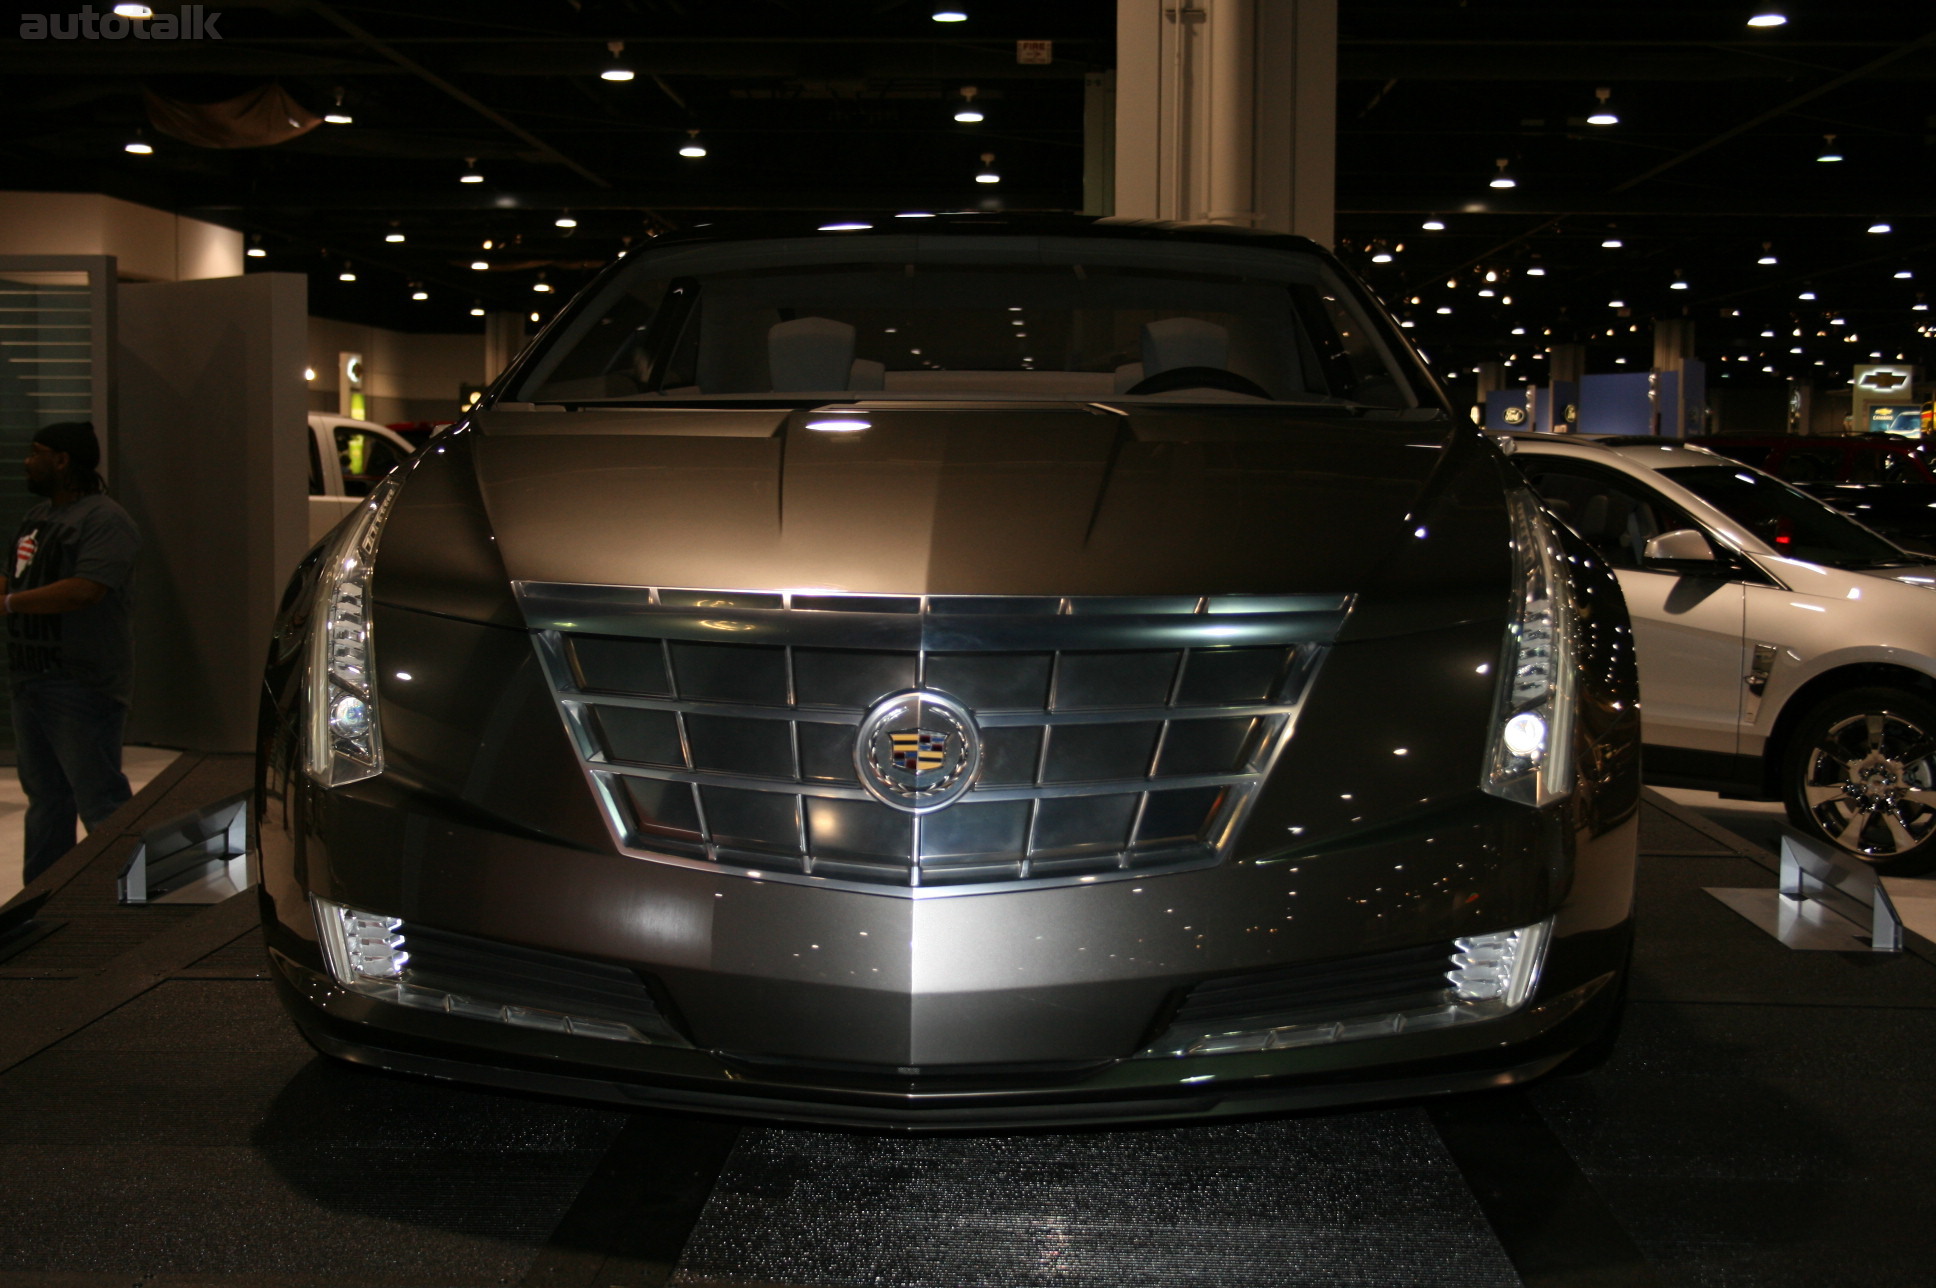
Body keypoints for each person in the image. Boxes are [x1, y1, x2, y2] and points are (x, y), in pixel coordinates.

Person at [2, 422, 141, 885]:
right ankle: (41, 901)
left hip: (80, 682)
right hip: (30, 679)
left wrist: (10, 603)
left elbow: (85, 591)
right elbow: (22, 581)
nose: (27, 460)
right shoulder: (38, 518)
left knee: (101, 802)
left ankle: (135, 906)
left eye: (36, 452)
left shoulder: (105, 519)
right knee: (46, 800)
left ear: (62, 460)